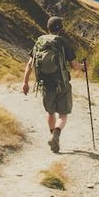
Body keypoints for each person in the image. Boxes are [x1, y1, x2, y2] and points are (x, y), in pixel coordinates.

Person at [22, 16, 86, 153]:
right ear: (61, 29)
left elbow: (29, 64)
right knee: (63, 114)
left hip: (45, 84)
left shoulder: (40, 41)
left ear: (47, 28)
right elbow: (74, 66)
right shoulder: (62, 42)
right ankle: (56, 134)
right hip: (62, 84)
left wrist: (25, 83)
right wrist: (83, 66)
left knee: (50, 113)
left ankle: (53, 138)